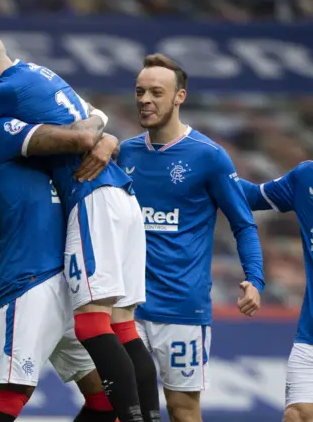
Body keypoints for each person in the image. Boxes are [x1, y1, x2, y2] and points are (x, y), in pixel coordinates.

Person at [0, 27, 159, 422]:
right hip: (34, 279)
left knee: (98, 395)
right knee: (15, 392)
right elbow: (74, 136)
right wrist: (101, 137)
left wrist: (105, 137)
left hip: (61, 279)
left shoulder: (10, 115)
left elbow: (78, 122)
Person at [116, 53, 264, 422]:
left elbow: (243, 224)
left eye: (155, 92)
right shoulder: (125, 152)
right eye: (139, 91)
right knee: (118, 406)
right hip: (126, 305)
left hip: (181, 308)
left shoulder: (209, 157)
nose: (145, 100)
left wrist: (255, 280)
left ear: (179, 96)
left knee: (182, 410)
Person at [239, 162, 313, 422]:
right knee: (297, 415)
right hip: (310, 336)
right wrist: (203, 168)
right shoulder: (306, 177)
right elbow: (249, 195)